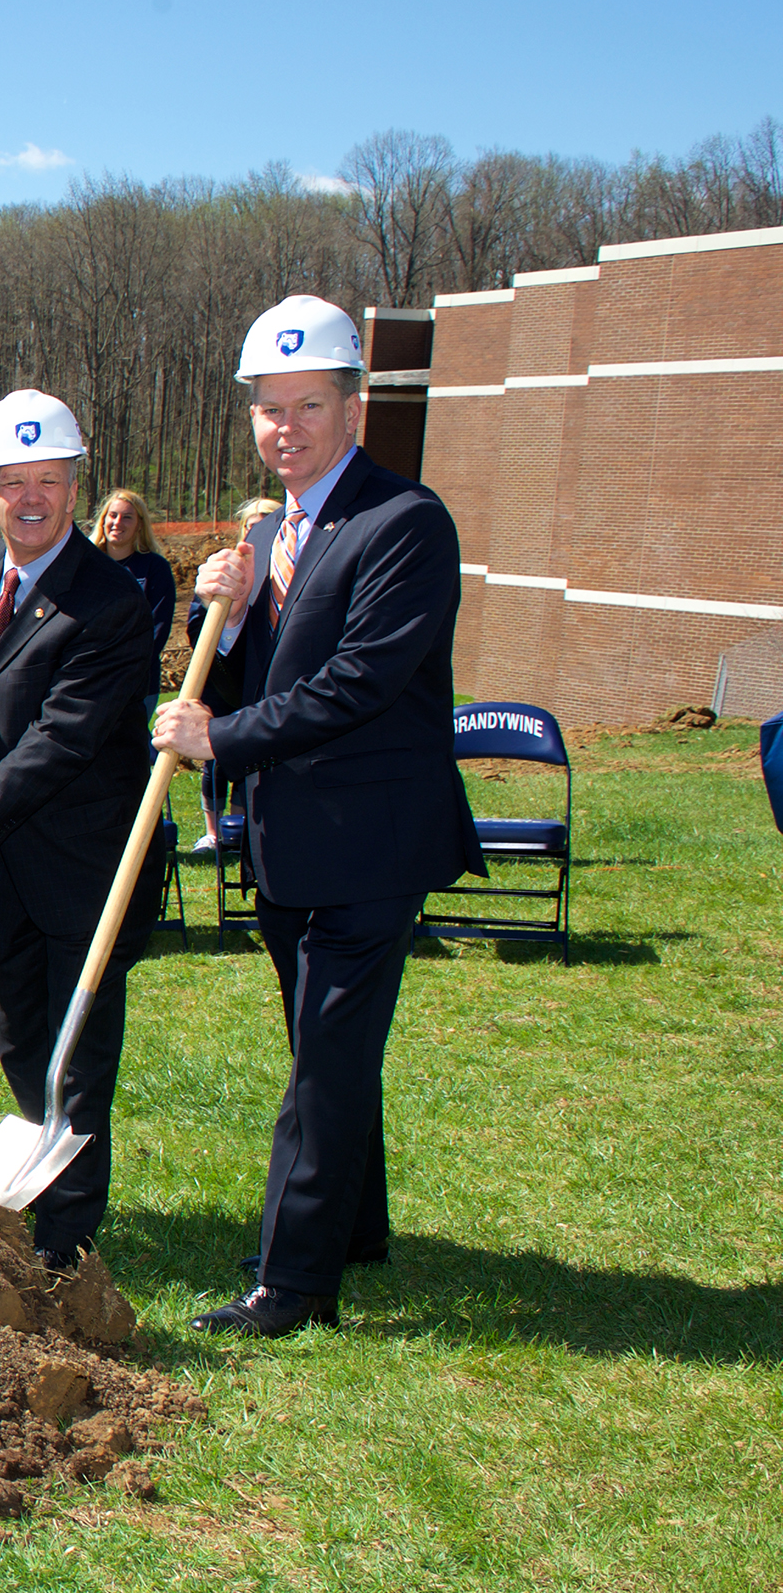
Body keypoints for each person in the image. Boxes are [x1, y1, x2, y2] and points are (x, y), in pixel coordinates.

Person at [153, 296, 482, 1337]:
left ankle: (290, 1282)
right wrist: (232, 615)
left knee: (323, 1062)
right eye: (267, 409)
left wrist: (223, 738)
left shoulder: (406, 522)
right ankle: (358, 1224)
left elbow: (358, 682)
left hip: (372, 838)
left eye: (307, 406)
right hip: (293, 840)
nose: (284, 428)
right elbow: (262, 670)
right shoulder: (272, 531)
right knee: (325, 1046)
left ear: (354, 407)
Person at [0, 392, 167, 1269]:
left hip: (88, 859)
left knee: (78, 1046)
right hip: (9, 862)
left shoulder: (111, 601)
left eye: (47, 481)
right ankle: (41, 1180)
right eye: (10, 483)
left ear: (74, 485)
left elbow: (63, 736)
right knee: (20, 1032)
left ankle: (66, 1234)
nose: (29, 499)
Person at [186, 497, 280, 853]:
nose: (257, 531)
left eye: (266, 522)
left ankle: (242, 834)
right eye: (250, 525)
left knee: (250, 761)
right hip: (221, 689)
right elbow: (199, 627)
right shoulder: (223, 573)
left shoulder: (291, 572)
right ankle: (214, 832)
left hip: (266, 698)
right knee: (217, 764)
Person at [92, 489, 177, 701]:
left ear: (139, 524)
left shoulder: (155, 567)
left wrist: (123, 666)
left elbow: (158, 626)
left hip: (138, 684)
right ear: (103, 520)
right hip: (89, 680)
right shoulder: (86, 565)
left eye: (127, 517)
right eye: (112, 515)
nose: (117, 522)